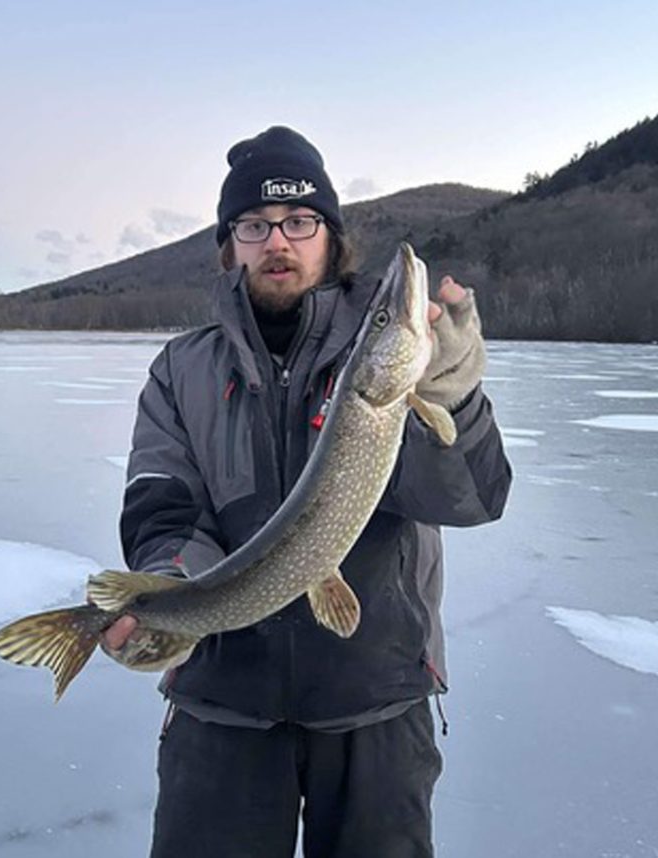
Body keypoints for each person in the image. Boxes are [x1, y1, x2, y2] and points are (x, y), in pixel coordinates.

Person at [102, 126, 512, 858]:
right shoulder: (182, 370)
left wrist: (452, 396)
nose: (277, 242)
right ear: (230, 244)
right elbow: (163, 497)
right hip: (222, 702)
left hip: (377, 700)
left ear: (330, 236)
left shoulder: (390, 374)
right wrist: (169, 585)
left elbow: (471, 499)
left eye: (299, 222)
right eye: (253, 226)